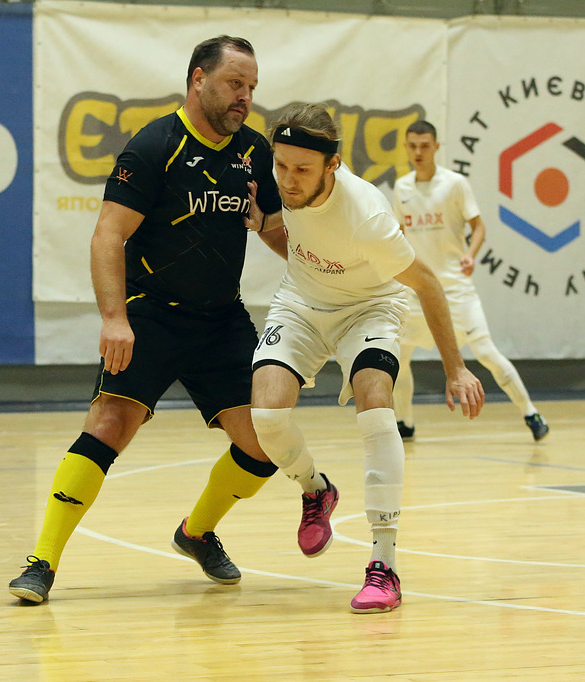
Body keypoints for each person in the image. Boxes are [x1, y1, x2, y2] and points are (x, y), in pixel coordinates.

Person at [8, 36, 286, 603]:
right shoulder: (155, 145)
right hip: (151, 315)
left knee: (266, 443)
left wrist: (285, 237)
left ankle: (197, 533)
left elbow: (280, 235)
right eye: (235, 84)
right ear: (198, 79)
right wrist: (115, 318)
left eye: (252, 87)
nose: (245, 97)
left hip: (221, 321)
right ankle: (42, 562)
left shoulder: (255, 152)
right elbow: (108, 234)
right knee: (109, 424)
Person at [245, 103, 485, 614]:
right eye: (280, 164)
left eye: (302, 169)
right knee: (265, 415)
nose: (287, 178)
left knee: (376, 403)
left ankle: (384, 566)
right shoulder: (279, 182)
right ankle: (316, 490)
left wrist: (456, 368)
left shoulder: (367, 216)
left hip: (370, 308)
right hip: (302, 302)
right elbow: (307, 248)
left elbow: (427, 284)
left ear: (332, 164)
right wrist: (265, 225)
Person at [391, 120, 549, 442]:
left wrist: (471, 255)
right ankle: (404, 422)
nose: (418, 152)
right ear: (406, 148)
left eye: (425, 146)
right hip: (416, 290)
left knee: (486, 352)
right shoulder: (401, 188)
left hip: (454, 288)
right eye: (413, 146)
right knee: (399, 358)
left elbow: (478, 227)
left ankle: (531, 413)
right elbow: (400, 234)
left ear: (436, 147)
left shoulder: (455, 184)